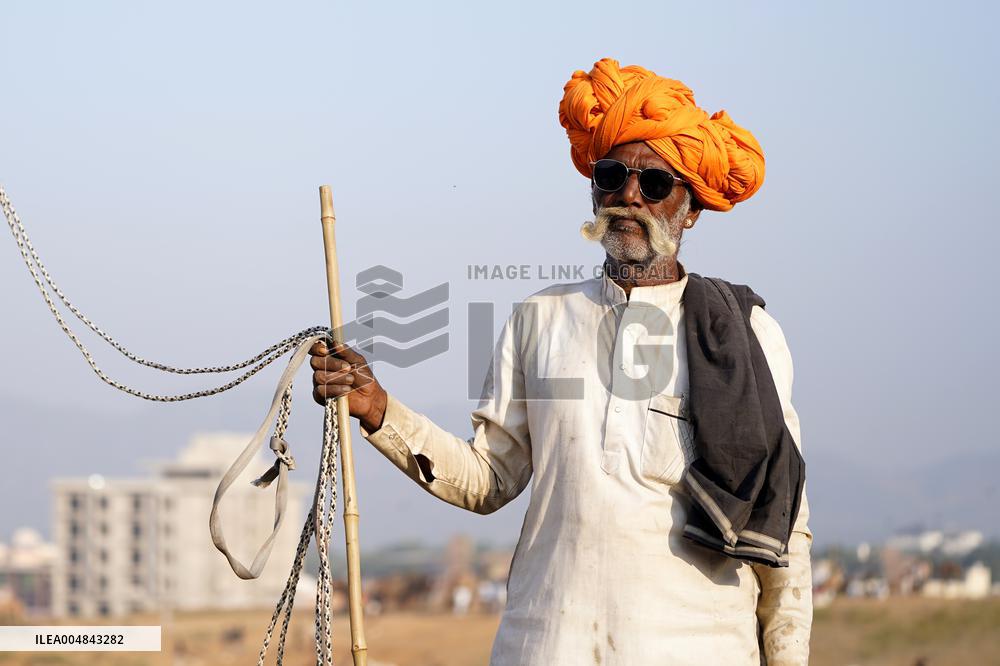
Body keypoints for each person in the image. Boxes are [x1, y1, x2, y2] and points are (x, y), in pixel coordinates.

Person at [310, 58, 812, 665]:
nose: (629, 196)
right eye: (611, 176)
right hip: (545, 644)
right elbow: (489, 480)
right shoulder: (539, 318)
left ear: (691, 207)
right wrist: (378, 409)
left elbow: (786, 523)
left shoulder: (746, 334)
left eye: (654, 184)